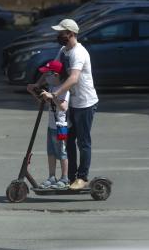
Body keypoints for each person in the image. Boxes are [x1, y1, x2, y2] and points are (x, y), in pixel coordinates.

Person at [28, 18, 99, 190]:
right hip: (72, 103)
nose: (58, 35)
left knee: (83, 142)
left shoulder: (78, 53)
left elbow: (74, 78)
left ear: (71, 34)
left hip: (85, 103)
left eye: (61, 32)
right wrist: (38, 84)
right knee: (69, 141)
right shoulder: (63, 50)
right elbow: (53, 68)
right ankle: (70, 177)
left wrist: (55, 93)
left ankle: (82, 178)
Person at [28, 60, 70, 189]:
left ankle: (64, 178)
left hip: (61, 126)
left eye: (48, 75)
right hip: (51, 126)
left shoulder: (63, 89)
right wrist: (34, 91)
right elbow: (44, 101)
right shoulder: (52, 87)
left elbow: (63, 107)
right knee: (51, 152)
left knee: (62, 152)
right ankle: (52, 176)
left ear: (56, 75)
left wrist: (53, 96)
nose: (46, 77)